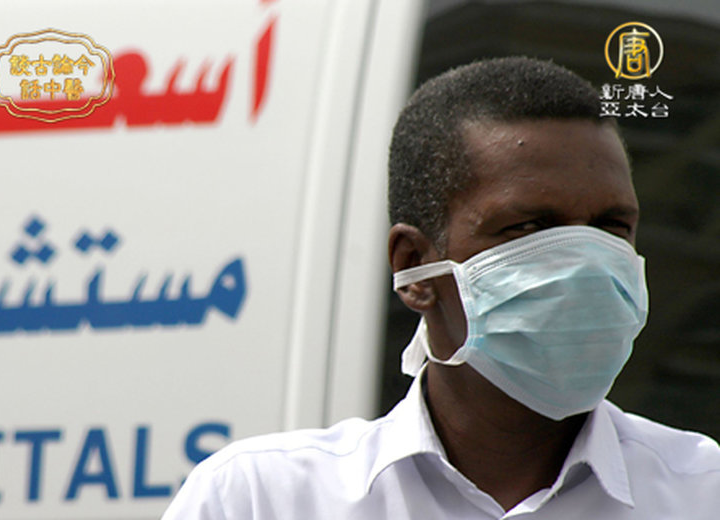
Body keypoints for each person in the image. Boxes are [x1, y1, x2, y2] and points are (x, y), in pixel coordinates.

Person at [162, 57, 720, 519]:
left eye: (612, 227)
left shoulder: (702, 491)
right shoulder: (262, 500)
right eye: (529, 228)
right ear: (415, 267)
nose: (585, 263)